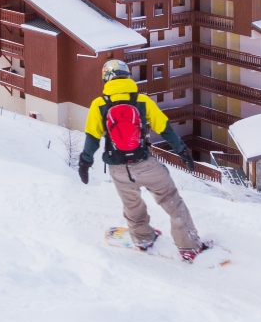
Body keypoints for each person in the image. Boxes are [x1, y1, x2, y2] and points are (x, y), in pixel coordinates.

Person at [77, 59, 210, 261]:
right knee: (172, 201)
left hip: (118, 169)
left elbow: (92, 138)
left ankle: (143, 238)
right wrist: (182, 152)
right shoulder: (142, 101)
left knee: (132, 205)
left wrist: (85, 163)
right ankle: (189, 246)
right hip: (146, 165)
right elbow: (165, 129)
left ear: (106, 78)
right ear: (127, 76)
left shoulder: (99, 104)